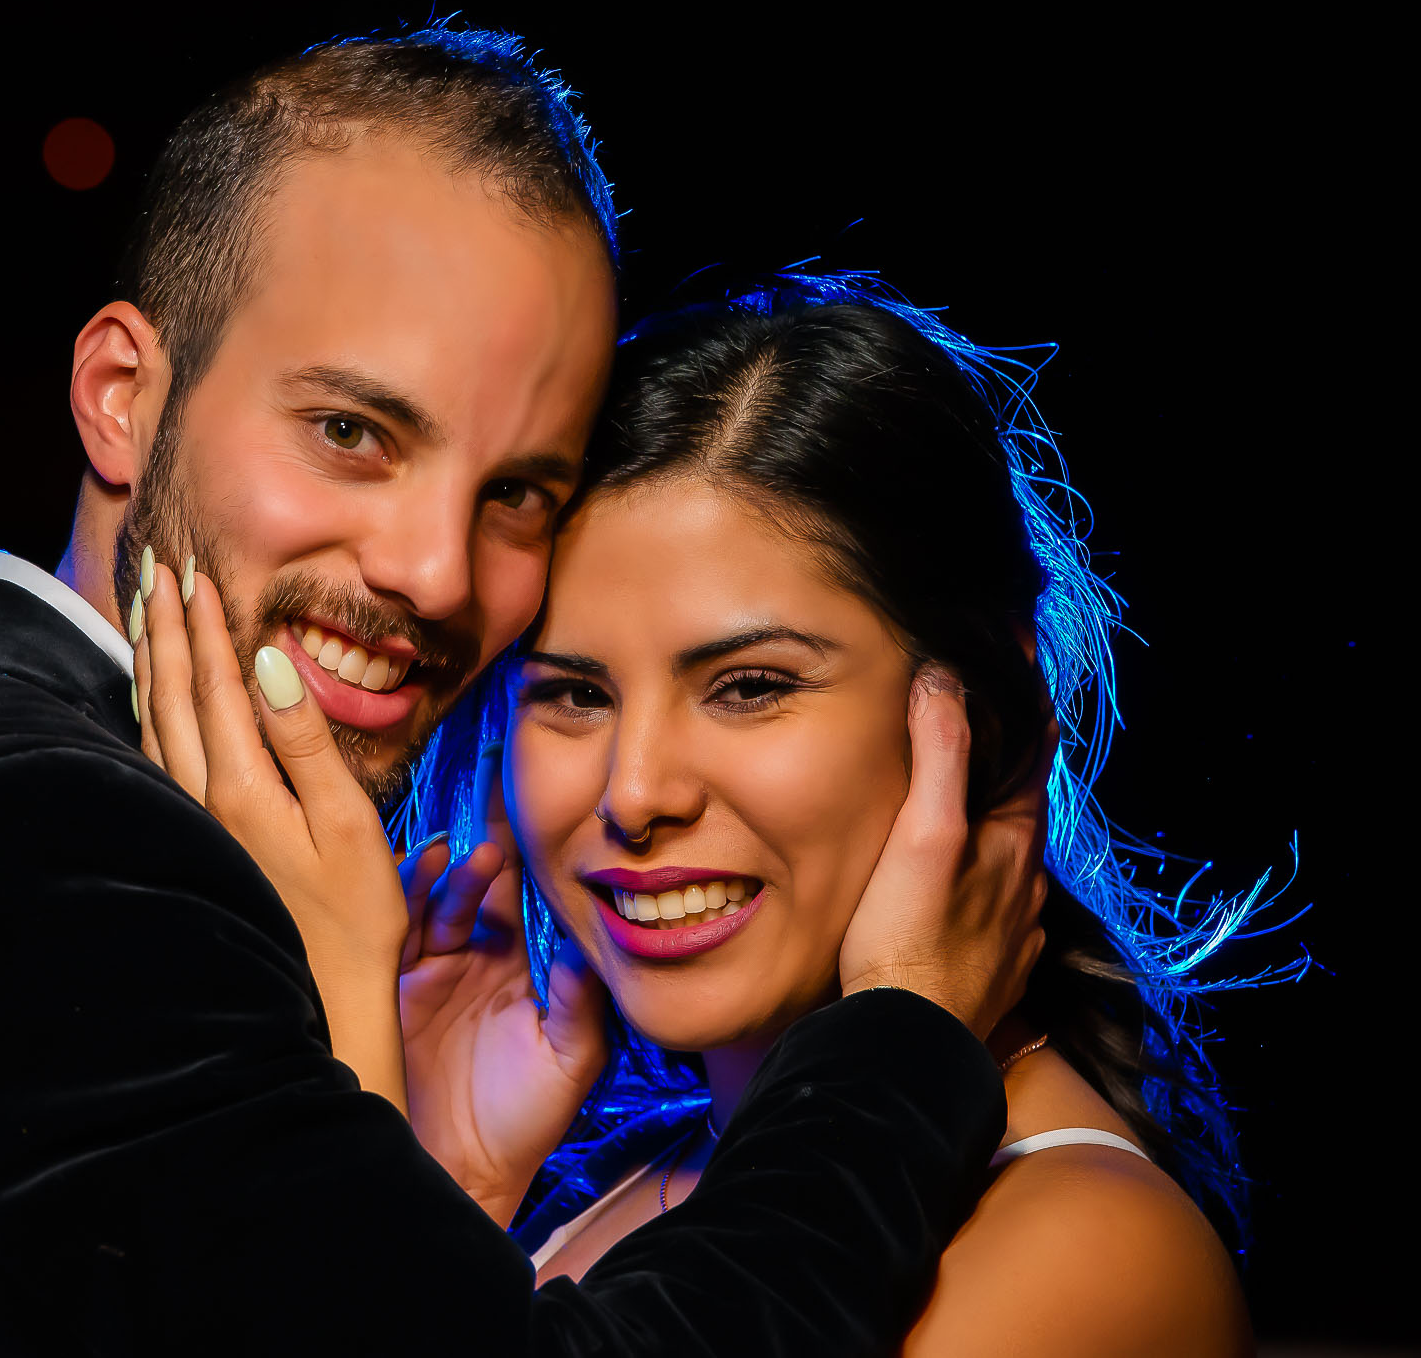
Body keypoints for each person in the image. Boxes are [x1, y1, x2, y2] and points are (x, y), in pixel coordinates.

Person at [0, 29, 1044, 1355]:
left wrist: (432, 1165)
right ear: (123, 394)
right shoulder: (41, 844)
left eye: (516, 494)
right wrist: (901, 1046)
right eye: (353, 433)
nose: (435, 571)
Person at [137, 274, 1266, 1355]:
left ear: (982, 709)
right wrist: (443, 1180)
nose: (636, 794)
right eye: (575, 692)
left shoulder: (1086, 1247)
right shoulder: (679, 1165)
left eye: (751, 685)